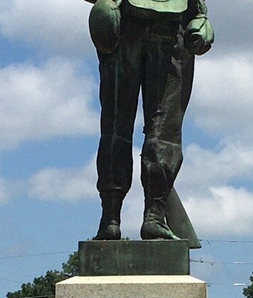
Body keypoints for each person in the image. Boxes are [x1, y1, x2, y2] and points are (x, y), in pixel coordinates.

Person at [85, 0, 213, 241]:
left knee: (115, 129)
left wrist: (199, 16)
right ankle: (153, 216)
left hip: (123, 20)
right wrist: (199, 14)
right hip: (167, 21)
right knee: (163, 130)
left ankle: (111, 219)